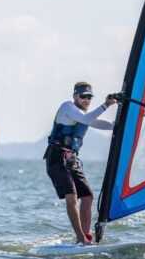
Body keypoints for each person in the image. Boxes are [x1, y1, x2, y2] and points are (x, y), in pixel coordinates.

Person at [44, 82, 117, 245]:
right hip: (56, 157)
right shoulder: (67, 107)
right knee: (72, 196)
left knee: (88, 196)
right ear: (75, 96)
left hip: (71, 159)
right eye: (82, 96)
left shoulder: (83, 115)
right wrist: (106, 104)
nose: (86, 100)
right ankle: (80, 238)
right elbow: (86, 118)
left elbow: (97, 122)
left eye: (89, 97)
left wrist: (117, 125)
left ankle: (86, 236)